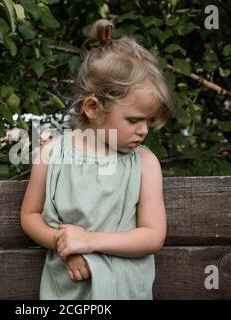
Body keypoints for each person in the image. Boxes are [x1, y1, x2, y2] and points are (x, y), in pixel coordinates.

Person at [20, 18, 177, 300]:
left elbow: (153, 235)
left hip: (124, 290)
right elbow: (30, 215)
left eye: (148, 121)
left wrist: (90, 241)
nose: (143, 130)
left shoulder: (144, 164)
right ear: (92, 107)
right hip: (67, 291)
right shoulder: (52, 154)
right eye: (133, 120)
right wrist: (64, 243)